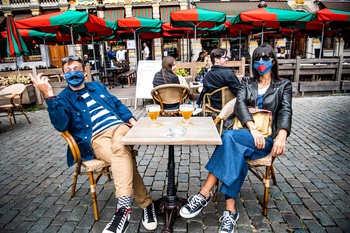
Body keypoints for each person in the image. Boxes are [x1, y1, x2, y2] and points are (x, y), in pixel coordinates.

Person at [29, 56, 158, 233]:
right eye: (68, 70)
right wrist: (48, 95)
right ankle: (147, 204)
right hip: (95, 139)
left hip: (119, 127)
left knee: (120, 148)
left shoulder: (97, 86)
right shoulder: (63, 98)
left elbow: (116, 103)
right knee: (122, 154)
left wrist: (130, 119)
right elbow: (61, 125)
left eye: (76, 68)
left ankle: (123, 211)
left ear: (84, 72)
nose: (72, 72)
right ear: (63, 75)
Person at [180, 43, 293, 233]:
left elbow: (286, 110)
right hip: (248, 133)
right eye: (257, 58)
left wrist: (282, 134)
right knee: (235, 149)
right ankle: (230, 211)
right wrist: (252, 128)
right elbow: (239, 104)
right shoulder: (248, 83)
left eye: (265, 58)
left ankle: (204, 193)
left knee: (228, 138)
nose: (261, 62)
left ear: (273, 60)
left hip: (265, 139)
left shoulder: (283, 85)